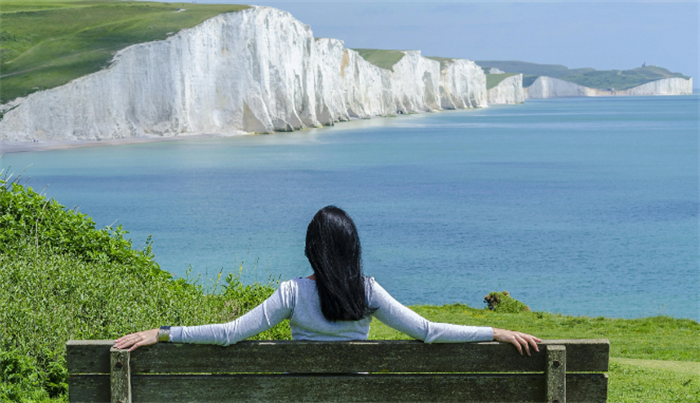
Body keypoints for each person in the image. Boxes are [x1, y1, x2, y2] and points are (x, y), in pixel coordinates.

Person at [115, 206, 541, 355]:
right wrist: (495, 331)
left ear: (311, 249)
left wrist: (162, 333)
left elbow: (228, 334)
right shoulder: (368, 291)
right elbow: (428, 332)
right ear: (351, 248)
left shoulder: (292, 293)